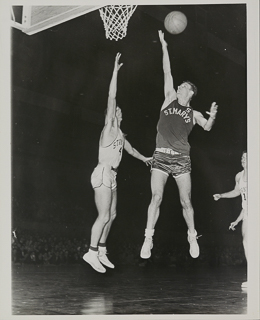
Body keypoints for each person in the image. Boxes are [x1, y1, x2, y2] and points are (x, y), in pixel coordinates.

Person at [140, 30, 218, 260]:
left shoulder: (193, 113)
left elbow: (207, 127)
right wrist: (164, 45)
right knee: (156, 197)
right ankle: (148, 237)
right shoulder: (168, 99)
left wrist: (212, 116)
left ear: (190, 92)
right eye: (179, 85)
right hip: (161, 156)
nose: (179, 88)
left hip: (182, 158)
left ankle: (192, 235)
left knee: (186, 201)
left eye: (183, 86)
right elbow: (167, 70)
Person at [83, 53, 152, 273]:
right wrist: (115, 71)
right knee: (103, 215)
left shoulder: (120, 135)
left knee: (112, 215)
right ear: (111, 116)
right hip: (102, 172)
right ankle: (91, 252)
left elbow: (130, 149)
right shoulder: (110, 128)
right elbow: (112, 97)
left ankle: (101, 249)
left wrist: (145, 159)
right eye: (115, 111)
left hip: (112, 175)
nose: (118, 110)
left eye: (118, 111)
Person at [213, 151, 247, 288]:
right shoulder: (239, 176)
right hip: (247, 211)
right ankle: (253, 275)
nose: (243, 159)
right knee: (246, 241)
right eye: (242, 157)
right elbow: (236, 192)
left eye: (246, 157)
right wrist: (221, 195)